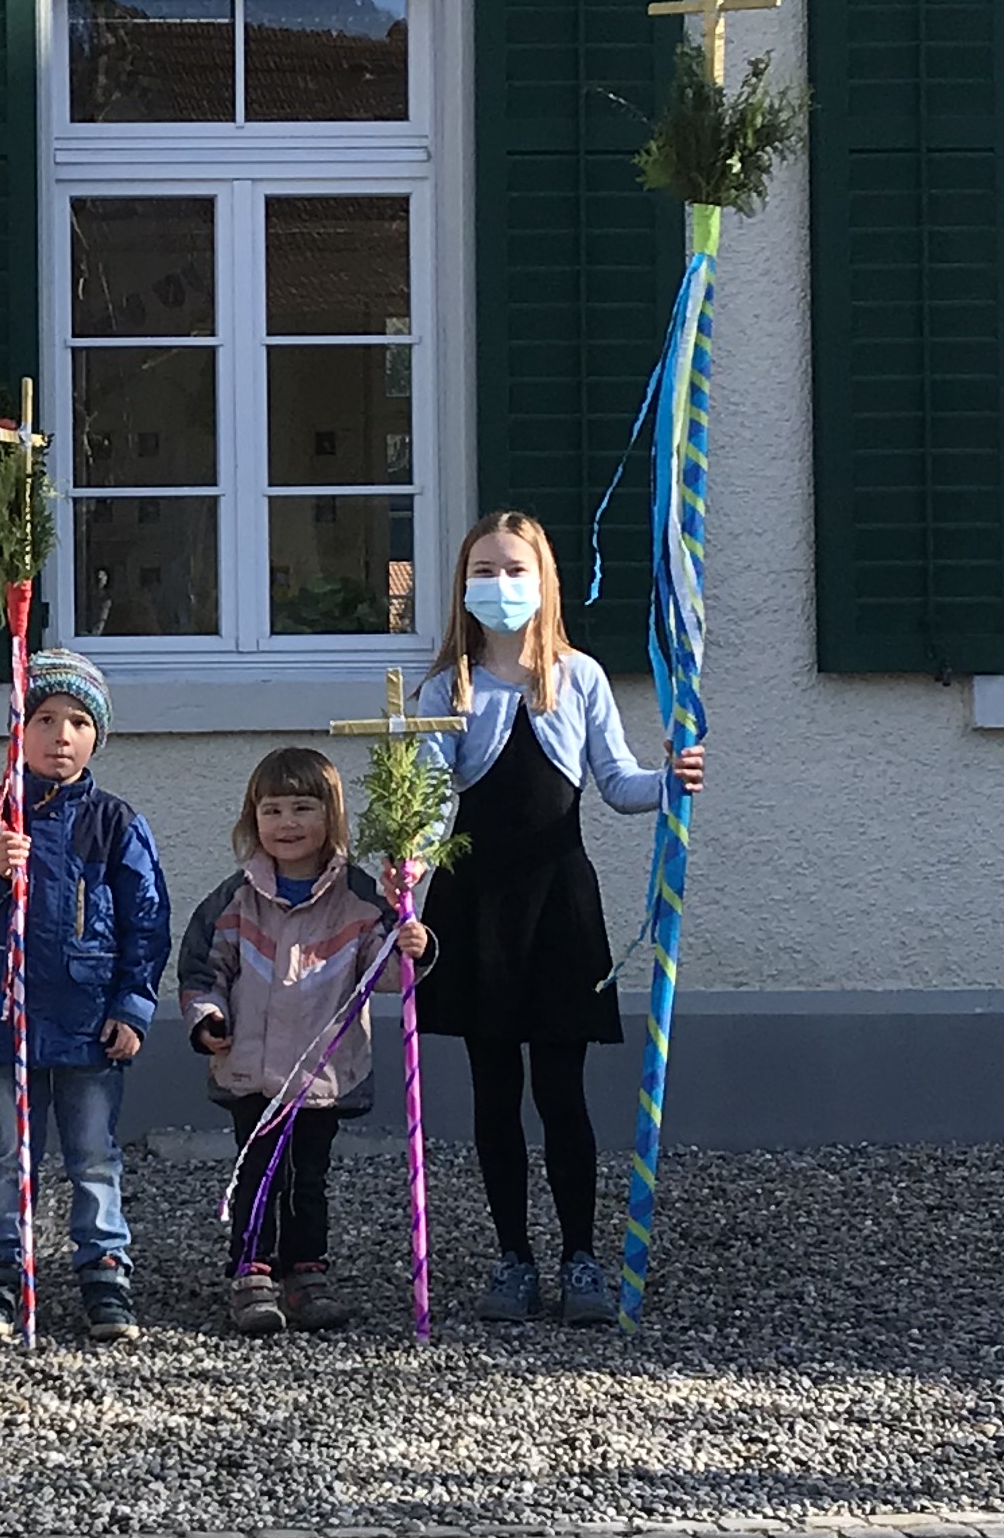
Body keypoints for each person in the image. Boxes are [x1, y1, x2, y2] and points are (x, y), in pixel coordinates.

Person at [407, 511, 706, 1329]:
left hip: (558, 906)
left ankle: (581, 1255)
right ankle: (513, 1257)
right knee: (493, 1090)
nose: (498, 585)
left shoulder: (578, 678)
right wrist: (407, 861)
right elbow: (434, 806)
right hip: (474, 908)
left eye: (513, 568)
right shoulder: (448, 689)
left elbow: (616, 781)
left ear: (541, 580)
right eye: (483, 570)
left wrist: (671, 782)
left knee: (562, 1090)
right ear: (464, 586)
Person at [0, 650, 170, 1344]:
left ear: (96, 735)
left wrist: (132, 1007)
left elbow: (146, 922)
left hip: (90, 1021)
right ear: (18, 730)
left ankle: (104, 1274)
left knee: (93, 1155)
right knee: (11, 1154)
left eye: (75, 722)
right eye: (42, 719)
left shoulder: (117, 824)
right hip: (7, 1023)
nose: (58, 736)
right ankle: (3, 1274)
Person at [175, 745, 423, 1339]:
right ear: (252, 819)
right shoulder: (236, 899)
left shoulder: (360, 899)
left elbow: (386, 974)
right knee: (257, 1171)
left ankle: (307, 1269)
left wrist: (411, 940)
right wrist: (206, 1019)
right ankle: (252, 1270)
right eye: (273, 810)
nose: (286, 824)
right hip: (252, 1070)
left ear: (330, 818)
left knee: (308, 1177)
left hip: (321, 1071)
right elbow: (204, 970)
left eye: (302, 809)